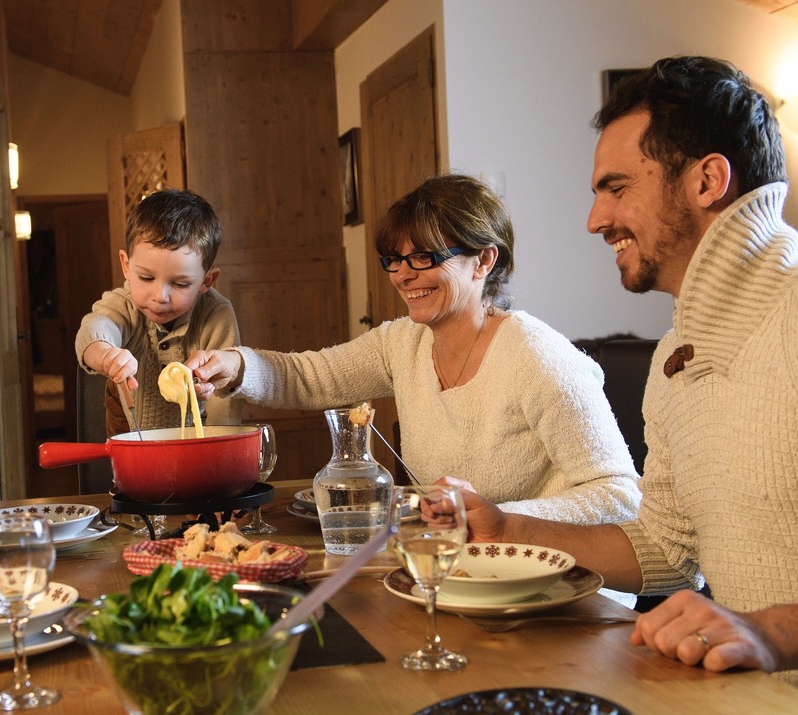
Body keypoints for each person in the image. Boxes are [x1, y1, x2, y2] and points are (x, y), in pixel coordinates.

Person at [456, 56, 798, 715]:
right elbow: (667, 549)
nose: (596, 220)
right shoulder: (678, 355)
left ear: (708, 179)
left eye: (616, 187)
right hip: (740, 700)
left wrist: (768, 633)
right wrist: (507, 525)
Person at [187, 174, 641, 529]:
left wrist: (499, 518)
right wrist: (235, 364)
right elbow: (308, 377)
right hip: (472, 571)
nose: (404, 275)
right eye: (394, 259)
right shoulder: (402, 343)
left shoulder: (536, 357)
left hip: (567, 589)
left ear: (484, 260)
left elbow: (620, 496)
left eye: (424, 257)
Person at [75, 188, 240, 435]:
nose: (159, 297)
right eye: (146, 277)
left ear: (207, 280)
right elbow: (95, 328)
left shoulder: (216, 316)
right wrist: (105, 354)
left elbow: (225, 402)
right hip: (132, 438)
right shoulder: (124, 306)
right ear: (126, 266)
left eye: (180, 284)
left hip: (197, 442)